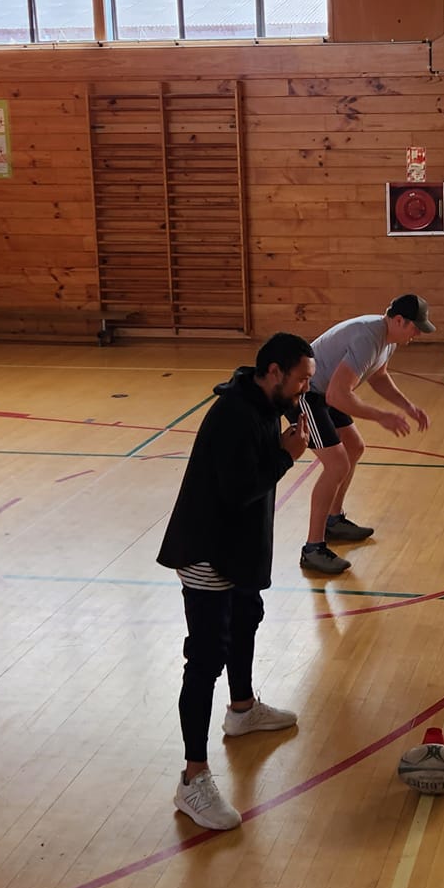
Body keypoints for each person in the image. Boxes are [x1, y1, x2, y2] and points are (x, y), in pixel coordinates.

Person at [158, 331, 315, 833]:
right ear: (274, 372)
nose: (305, 390)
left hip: (238, 547)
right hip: (208, 550)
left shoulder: (265, 403)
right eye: (301, 380)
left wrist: (293, 436)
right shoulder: (234, 415)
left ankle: (243, 709)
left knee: (247, 615)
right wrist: (287, 455)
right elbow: (238, 490)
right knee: (206, 658)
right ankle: (193, 777)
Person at [299, 294, 433, 575]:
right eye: (415, 327)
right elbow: (337, 395)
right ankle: (312, 548)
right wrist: (381, 416)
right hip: (304, 393)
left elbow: (379, 377)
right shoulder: (367, 337)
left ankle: (334, 521)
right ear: (399, 320)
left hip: (325, 392)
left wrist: (408, 407)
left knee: (354, 447)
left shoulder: (387, 339)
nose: (418, 334)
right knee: (336, 464)